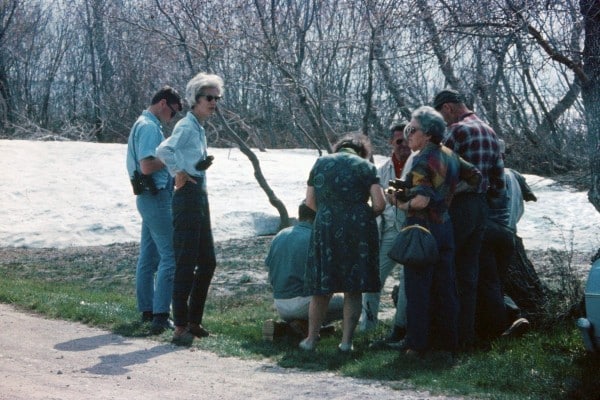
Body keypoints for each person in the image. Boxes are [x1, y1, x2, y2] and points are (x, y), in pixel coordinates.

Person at [391, 106, 481, 357]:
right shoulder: (450, 154)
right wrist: (447, 195)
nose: (408, 135)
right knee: (445, 288)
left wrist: (398, 202)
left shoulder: (421, 160)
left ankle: (417, 346)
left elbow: (421, 201)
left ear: (428, 134)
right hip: (444, 226)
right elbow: (475, 177)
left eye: (413, 130)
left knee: (418, 289)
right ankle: (448, 345)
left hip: (421, 229)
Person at [433, 88, 506, 351]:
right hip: (480, 207)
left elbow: (439, 174)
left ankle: (444, 337)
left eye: (441, 115)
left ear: (448, 108)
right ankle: (466, 337)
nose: (443, 121)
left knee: (445, 269)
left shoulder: (456, 131)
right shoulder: (489, 131)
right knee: (468, 275)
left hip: (457, 206)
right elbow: (499, 180)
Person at [299, 133, 386, 352]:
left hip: (326, 227)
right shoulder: (366, 166)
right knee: (353, 287)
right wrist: (361, 217)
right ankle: (347, 343)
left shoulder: (320, 163)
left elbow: (310, 202)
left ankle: (310, 340)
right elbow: (379, 203)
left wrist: (329, 214)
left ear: (338, 148)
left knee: (322, 287)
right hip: (358, 230)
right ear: (362, 151)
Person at [156, 72, 223, 344]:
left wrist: (195, 166)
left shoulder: (199, 127)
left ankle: (194, 321)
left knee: (207, 262)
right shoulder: (186, 125)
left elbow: (186, 156)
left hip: (199, 196)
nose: (214, 103)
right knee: (186, 262)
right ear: (196, 99)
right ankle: (180, 326)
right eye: (209, 98)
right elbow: (164, 150)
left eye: (217, 98)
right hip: (186, 197)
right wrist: (178, 172)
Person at [125, 86, 183, 334]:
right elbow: (147, 166)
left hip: (148, 198)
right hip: (156, 197)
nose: (172, 117)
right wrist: (173, 157)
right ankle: (161, 315)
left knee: (148, 258)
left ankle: (147, 311)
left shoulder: (143, 124)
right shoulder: (149, 127)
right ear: (162, 104)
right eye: (173, 112)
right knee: (171, 256)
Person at [263, 201, 344, 341]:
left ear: (300, 215)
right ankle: (309, 327)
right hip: (304, 304)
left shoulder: (280, 235)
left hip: (280, 304)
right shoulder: (317, 238)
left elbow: (269, 272)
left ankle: (293, 327)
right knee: (350, 301)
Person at [360, 124, 411, 339]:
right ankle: (368, 327)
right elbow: (385, 201)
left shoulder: (419, 164)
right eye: (399, 141)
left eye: (407, 140)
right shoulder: (383, 170)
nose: (404, 145)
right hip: (390, 231)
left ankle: (401, 328)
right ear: (391, 143)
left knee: (408, 283)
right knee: (374, 279)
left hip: (413, 231)